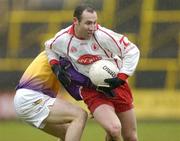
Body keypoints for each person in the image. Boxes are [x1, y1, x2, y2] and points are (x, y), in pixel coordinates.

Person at [45, 4, 140, 141]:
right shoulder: (63, 39)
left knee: (130, 136)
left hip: (116, 84)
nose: (93, 27)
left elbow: (131, 50)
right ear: (75, 21)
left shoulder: (103, 36)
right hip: (91, 89)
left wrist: (121, 77)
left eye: (95, 22)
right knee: (114, 129)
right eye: (88, 23)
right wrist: (55, 66)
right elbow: (49, 47)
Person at [13, 51, 88, 141]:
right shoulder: (61, 51)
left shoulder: (55, 50)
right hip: (31, 97)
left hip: (24, 98)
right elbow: (74, 88)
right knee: (79, 115)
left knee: (68, 132)